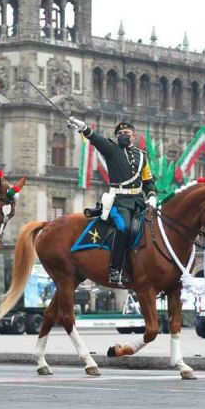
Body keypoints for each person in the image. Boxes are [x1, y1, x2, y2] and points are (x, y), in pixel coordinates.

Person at [67, 117, 157, 286]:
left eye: (126, 133)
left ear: (134, 137)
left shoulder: (142, 157)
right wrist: (84, 127)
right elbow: (96, 139)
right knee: (124, 228)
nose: (123, 135)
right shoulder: (112, 149)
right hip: (119, 201)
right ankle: (115, 270)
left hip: (138, 202)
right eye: (120, 133)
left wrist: (151, 195)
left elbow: (148, 181)